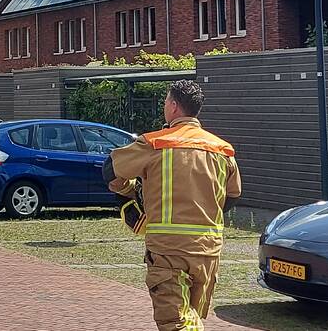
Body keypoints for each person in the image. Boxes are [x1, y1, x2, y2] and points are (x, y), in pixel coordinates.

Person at [103, 80, 241, 331]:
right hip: (208, 250)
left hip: (168, 249)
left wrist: (127, 193)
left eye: (166, 101)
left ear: (174, 107)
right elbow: (232, 197)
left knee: (175, 323)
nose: (165, 106)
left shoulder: (155, 143)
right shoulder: (222, 150)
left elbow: (110, 169)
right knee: (192, 319)